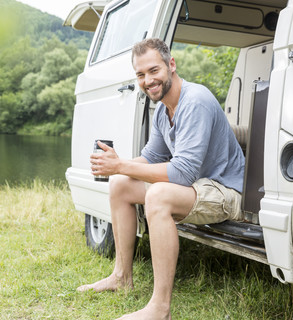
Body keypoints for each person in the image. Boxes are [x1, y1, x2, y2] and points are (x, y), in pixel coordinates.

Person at [76, 38, 245, 320]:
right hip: (194, 188)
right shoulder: (162, 111)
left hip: (225, 191)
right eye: (140, 75)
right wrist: (117, 165)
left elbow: (182, 172)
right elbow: (151, 157)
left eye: (154, 71)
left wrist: (120, 165)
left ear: (171, 65)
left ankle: (160, 309)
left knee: (157, 194)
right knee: (119, 185)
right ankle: (121, 276)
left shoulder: (195, 101)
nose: (148, 80)